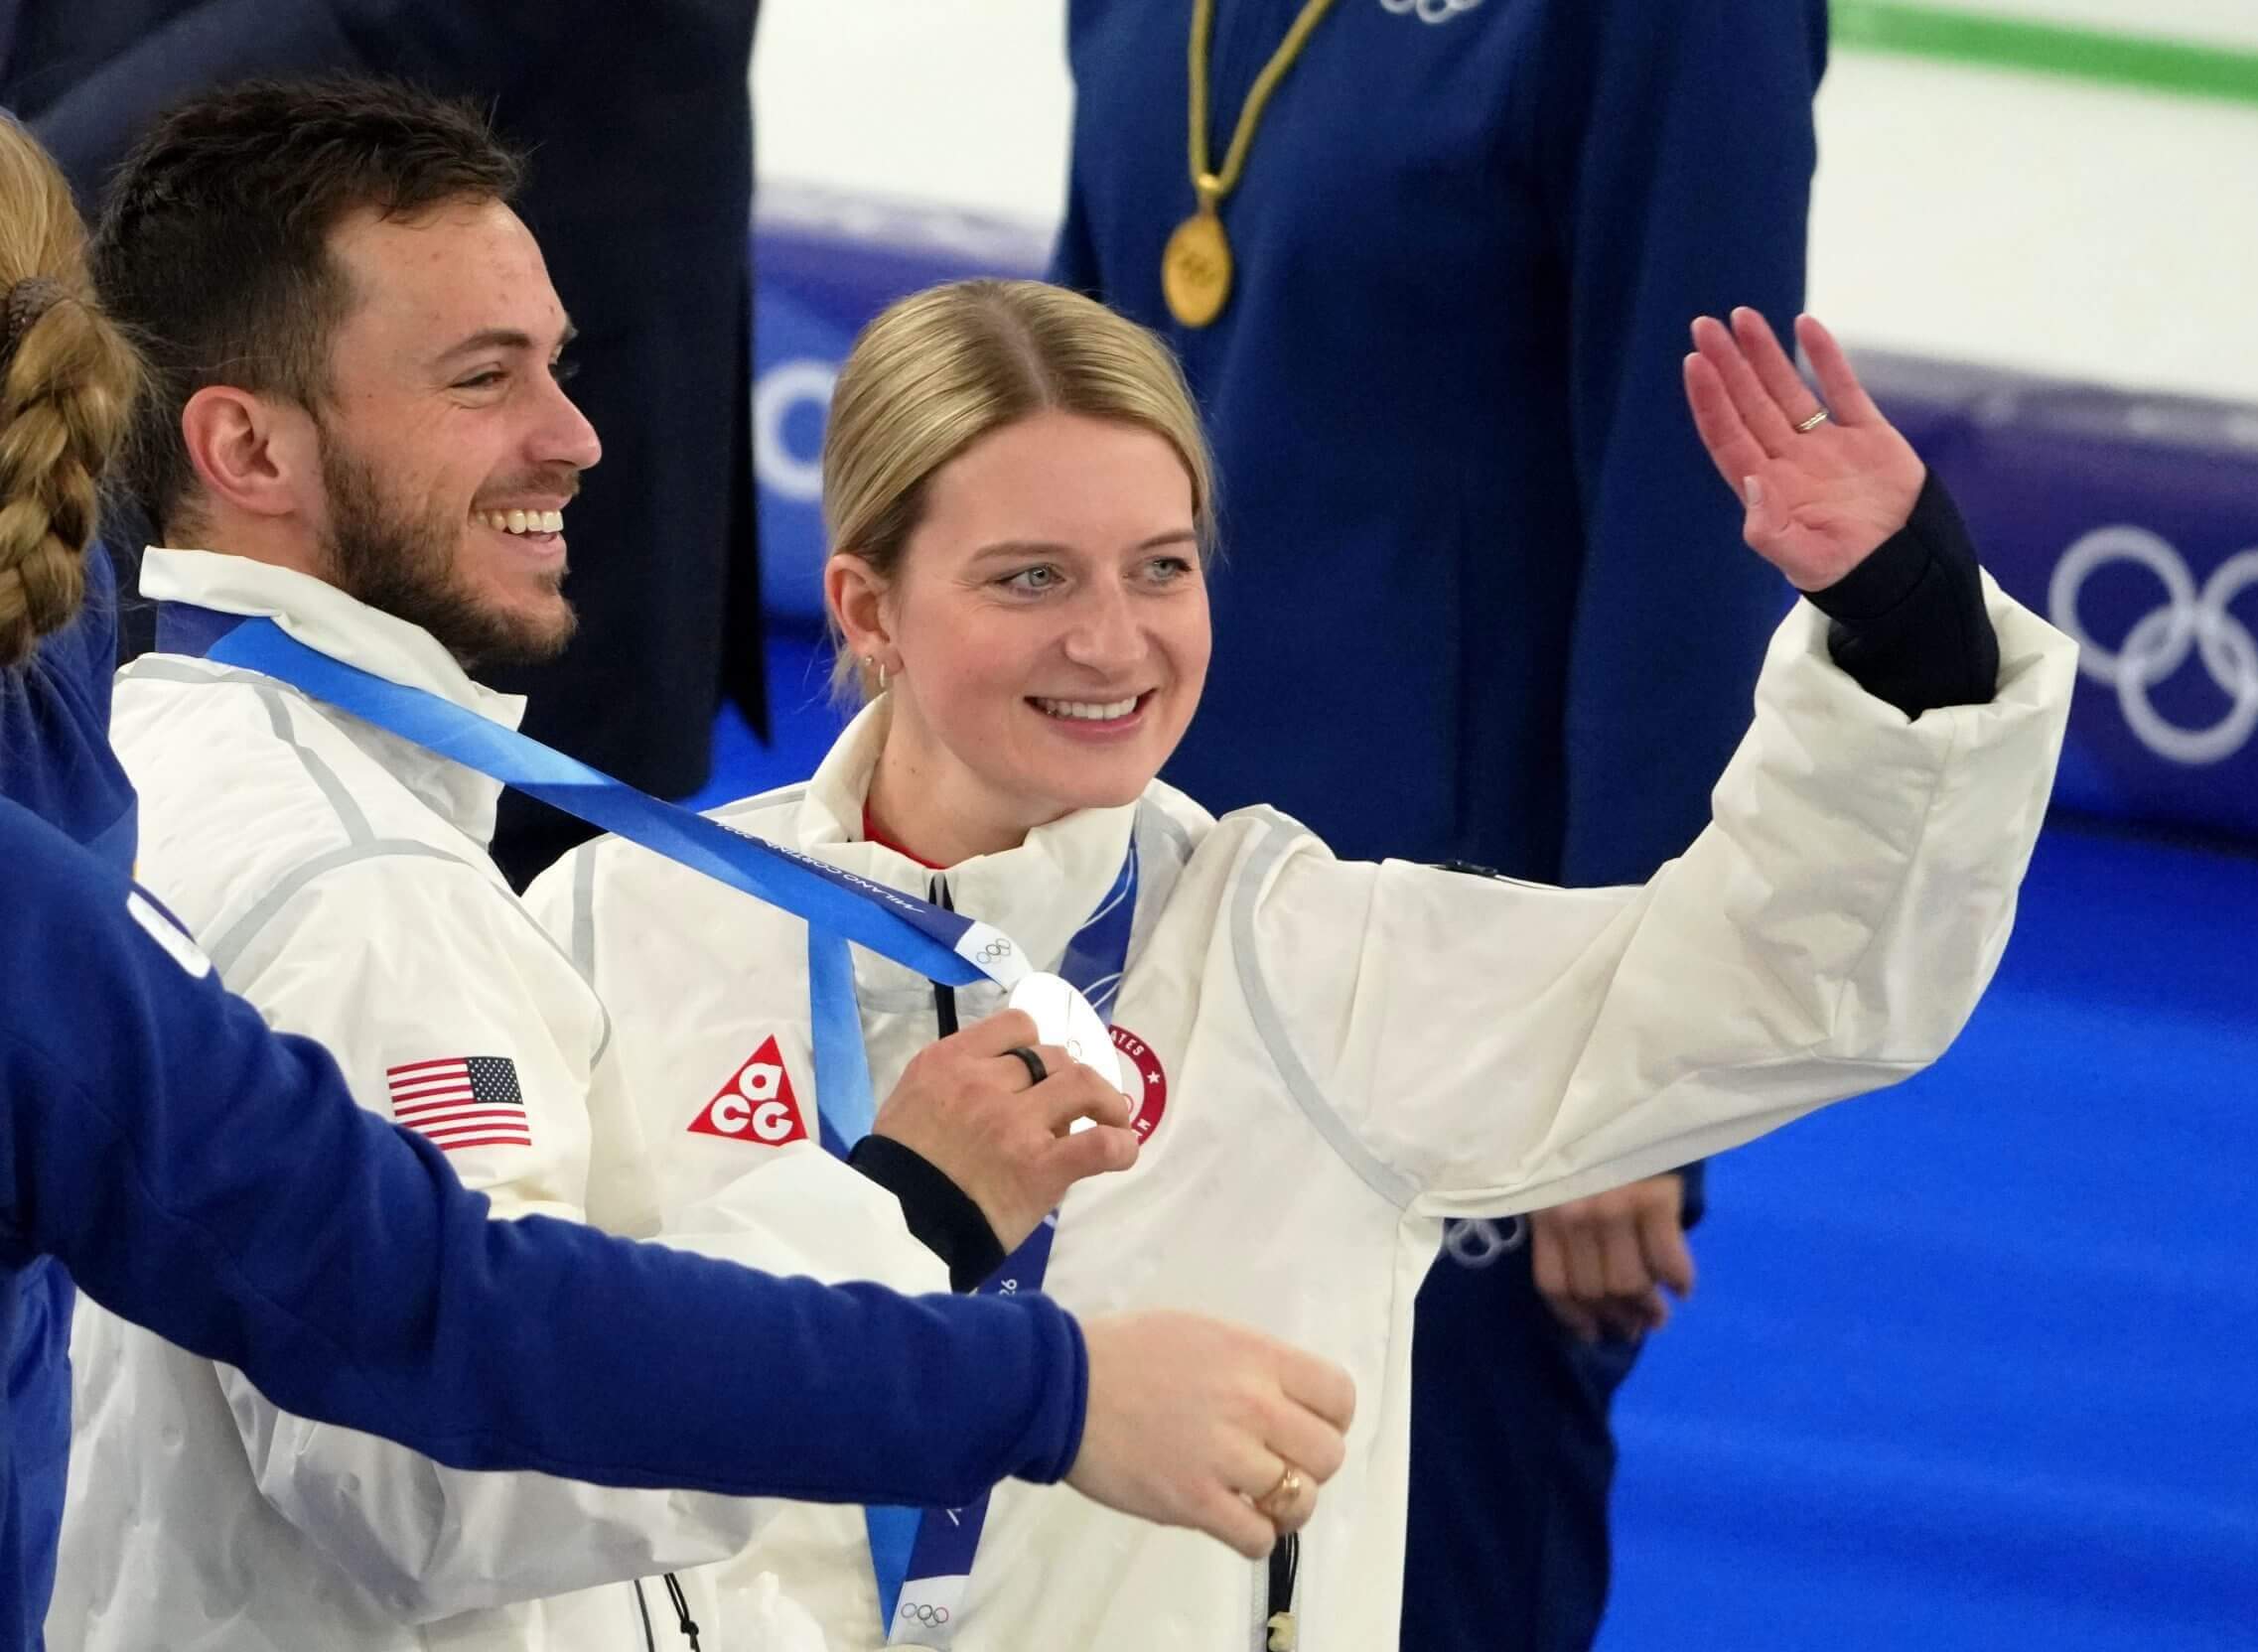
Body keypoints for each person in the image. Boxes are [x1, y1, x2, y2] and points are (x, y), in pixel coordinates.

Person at [534, 276, 2076, 1648]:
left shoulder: (1298, 959)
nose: (1115, 643)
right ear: (868, 608)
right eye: (1030, 579)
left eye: (1160, 568)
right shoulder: (629, 921)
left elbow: (1778, 977)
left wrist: (1905, 622)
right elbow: (476, 1393)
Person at [0, 108, 1344, 1652]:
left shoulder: (128, 745)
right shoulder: (357, 881)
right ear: (246, 448)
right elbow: (453, 1447)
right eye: (484, 377)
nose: (574, 436)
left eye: (557, 366)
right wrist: (911, 1220)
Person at [1047, 4, 1830, 1635]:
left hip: (1457, 983)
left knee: (1421, 1579)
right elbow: (1057, 411)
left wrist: (1629, 1036)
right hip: (1123, 928)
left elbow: (1689, 516)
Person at [0, 0, 770, 888]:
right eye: (492, 377)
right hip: (142, 353)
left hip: (227, 265)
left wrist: (29, 217)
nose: (573, 439)